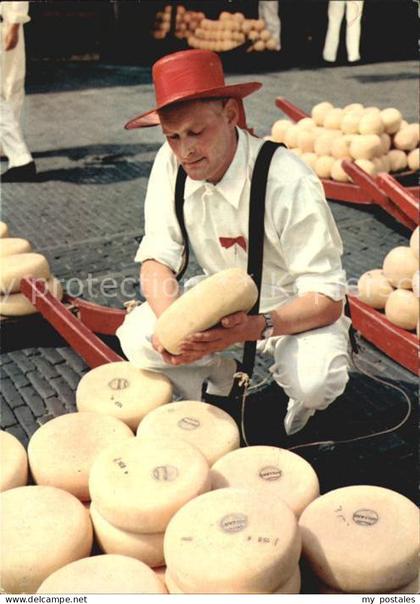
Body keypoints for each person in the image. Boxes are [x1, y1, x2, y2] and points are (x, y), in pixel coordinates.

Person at [117, 49, 351, 436]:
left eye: (196, 132)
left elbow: (327, 298)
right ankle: (220, 376)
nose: (185, 150)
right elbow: (157, 256)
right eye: (172, 136)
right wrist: (175, 326)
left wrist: (253, 328)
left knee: (316, 380)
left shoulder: (287, 178)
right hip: (218, 300)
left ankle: (297, 402)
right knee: (140, 338)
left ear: (229, 113)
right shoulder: (171, 161)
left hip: (292, 304)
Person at [1, 1, 36, 182]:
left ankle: (20, 158)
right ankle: (9, 150)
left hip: (4, 25)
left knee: (11, 88)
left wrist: (14, 25)